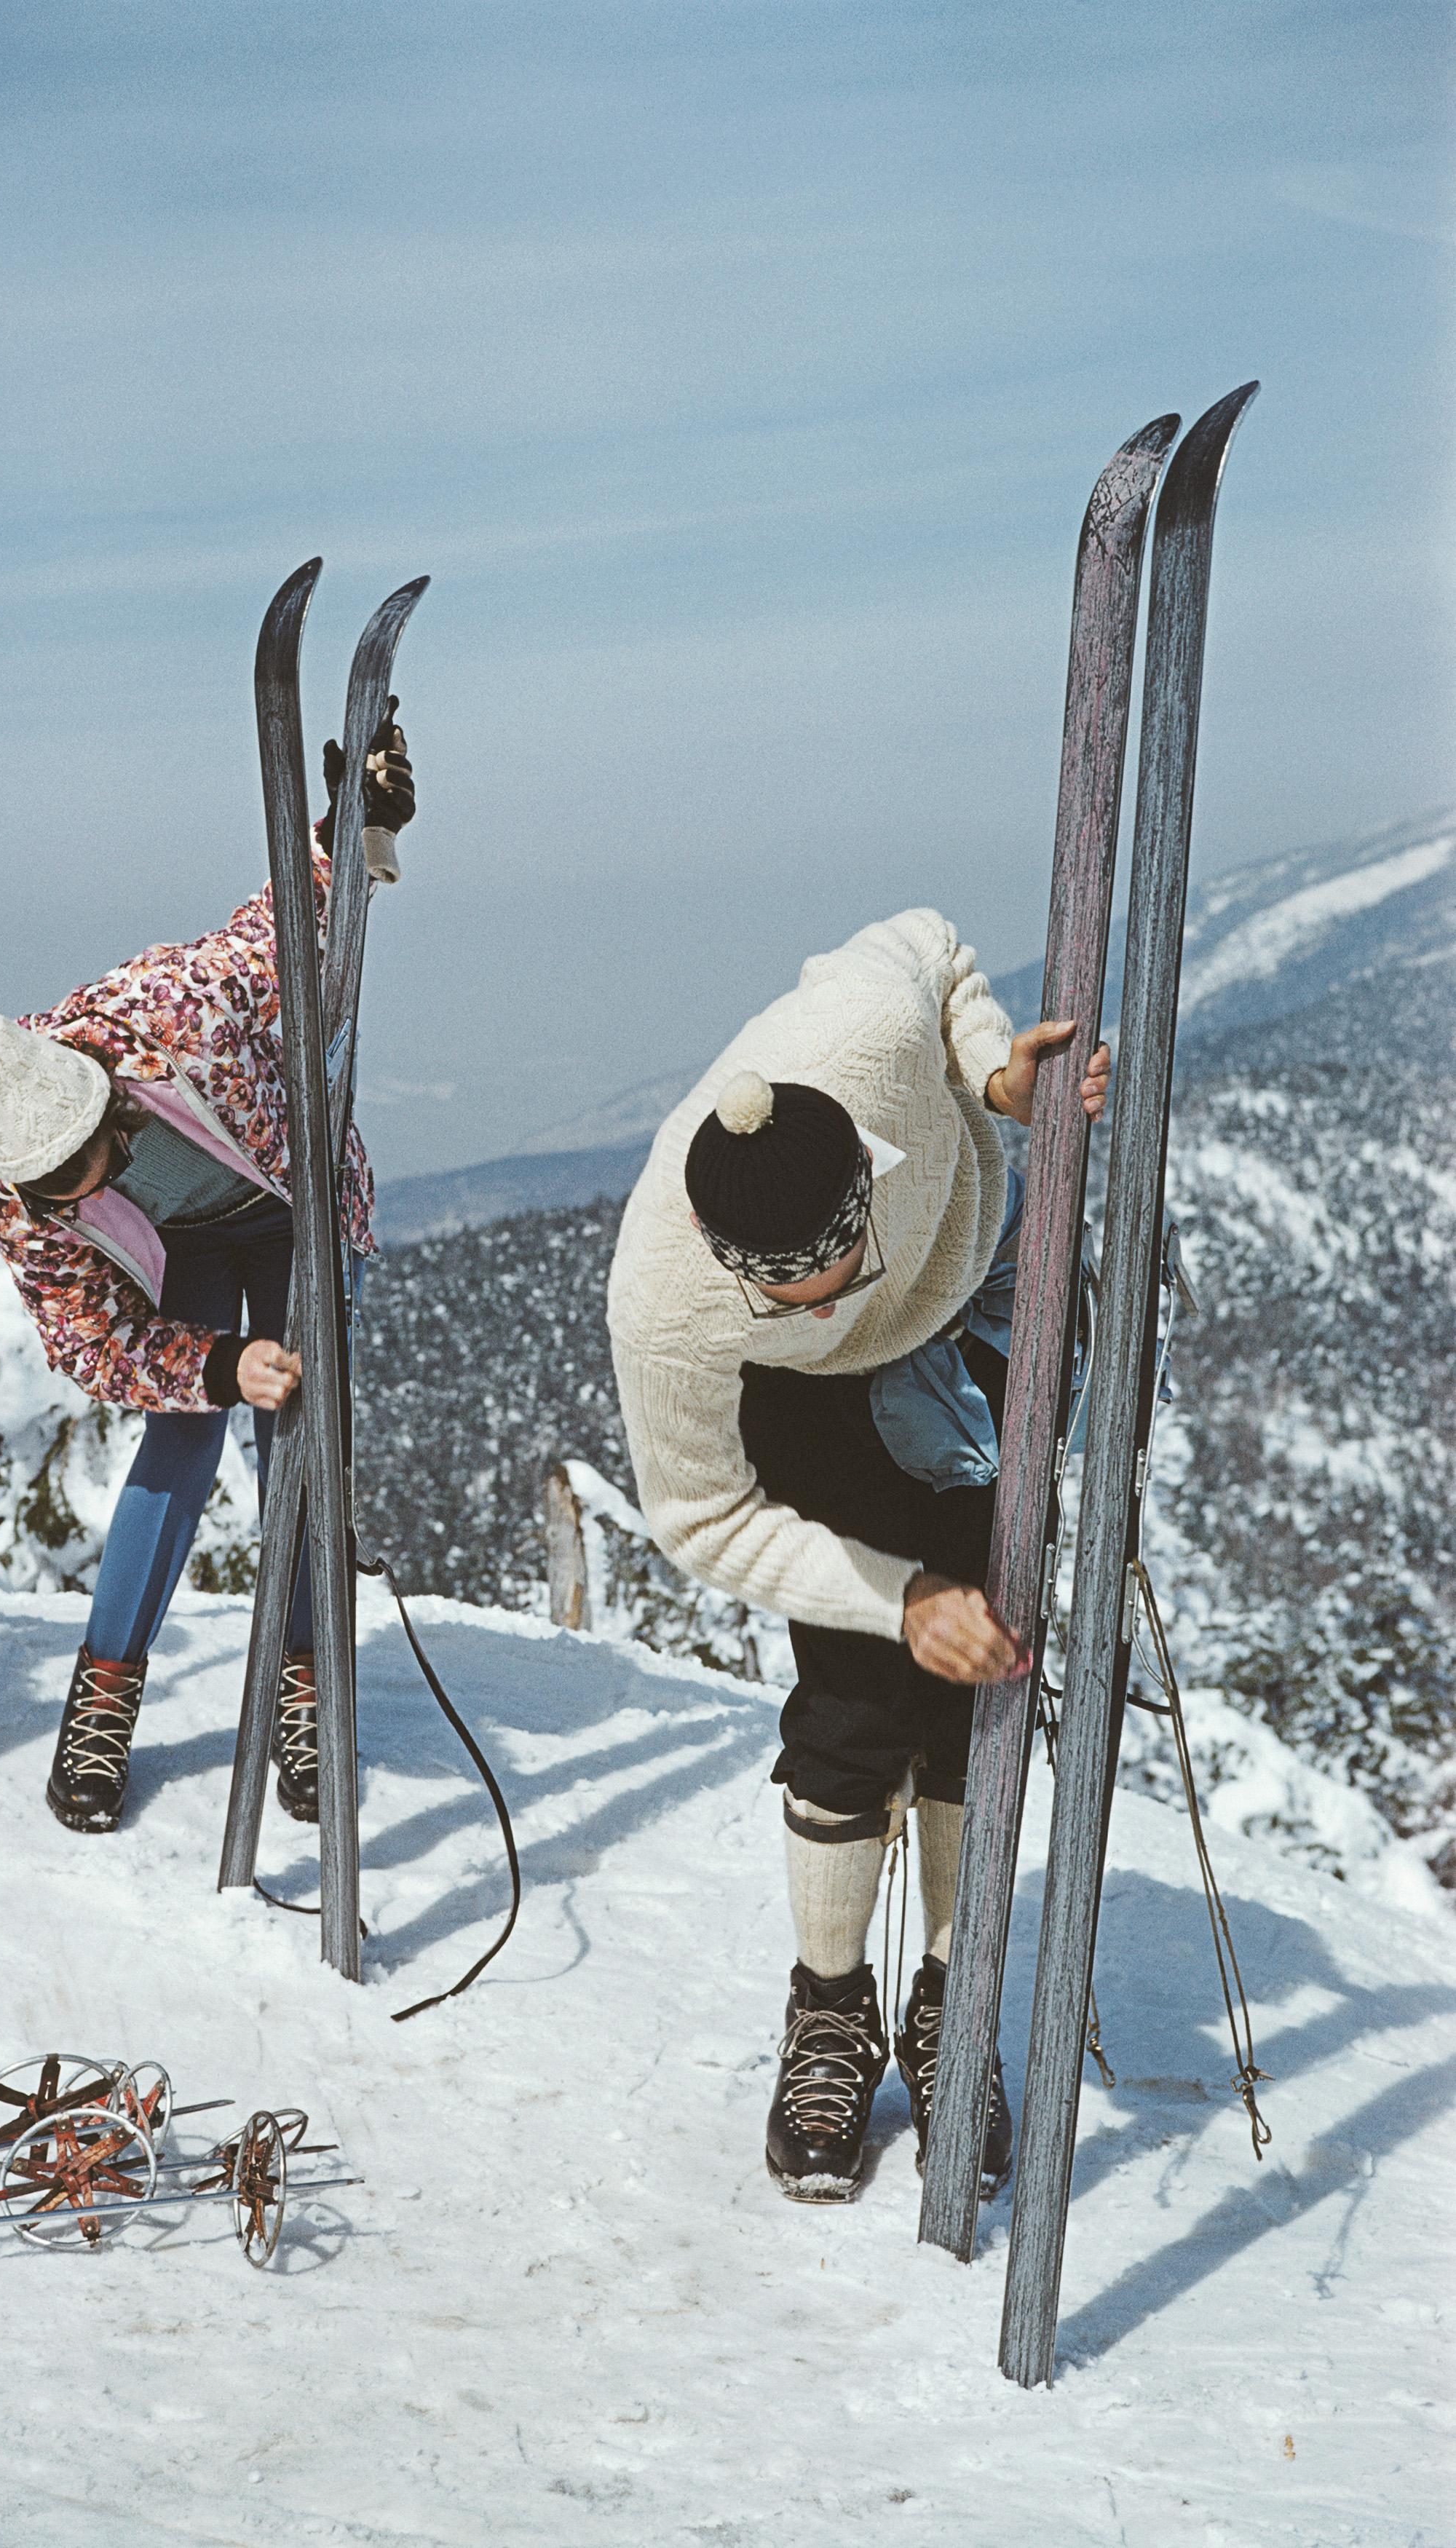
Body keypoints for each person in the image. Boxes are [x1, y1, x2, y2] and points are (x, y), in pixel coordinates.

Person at [606, 909, 1109, 2202]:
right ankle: (833, 2007)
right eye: (796, 1289)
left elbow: (929, 943)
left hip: (972, 1299)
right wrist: (900, 1597)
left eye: (839, 1261)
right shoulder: (667, 1302)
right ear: (732, 1269)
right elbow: (703, 1519)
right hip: (807, 1409)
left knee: (975, 1687)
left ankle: (948, 1997)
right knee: (852, 1699)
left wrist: (996, 1074)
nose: (830, 1294)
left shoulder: (870, 1038)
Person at [0, 716, 416, 1836]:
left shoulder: (171, 1016)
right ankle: (105, 1692)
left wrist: (353, 831)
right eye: (53, 1189)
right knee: (185, 1439)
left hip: (291, 1208)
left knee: (295, 1438)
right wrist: (210, 1363)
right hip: (189, 1258)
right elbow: (91, 1345)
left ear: (104, 1102)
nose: (78, 1194)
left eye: (88, 1166)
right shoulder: (27, 1196)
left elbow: (277, 938)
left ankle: (305, 1679)